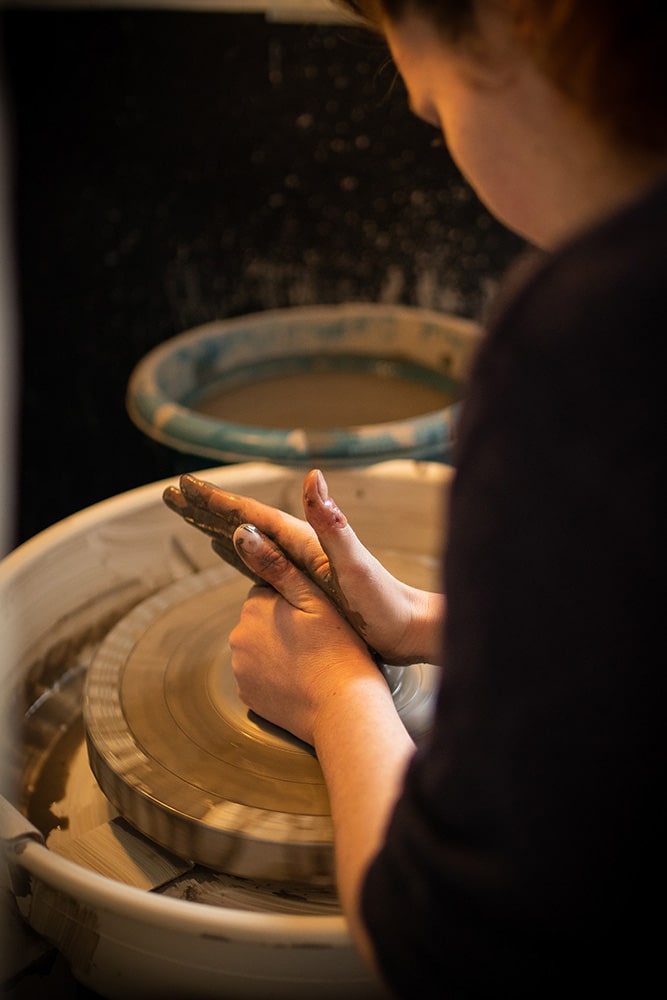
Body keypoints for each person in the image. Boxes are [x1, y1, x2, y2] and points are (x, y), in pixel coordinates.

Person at [179, 2, 666, 995]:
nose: (446, 144)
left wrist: (333, 689)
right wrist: (424, 623)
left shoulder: (592, 338)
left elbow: (461, 946)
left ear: (519, 27)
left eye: (431, 107)